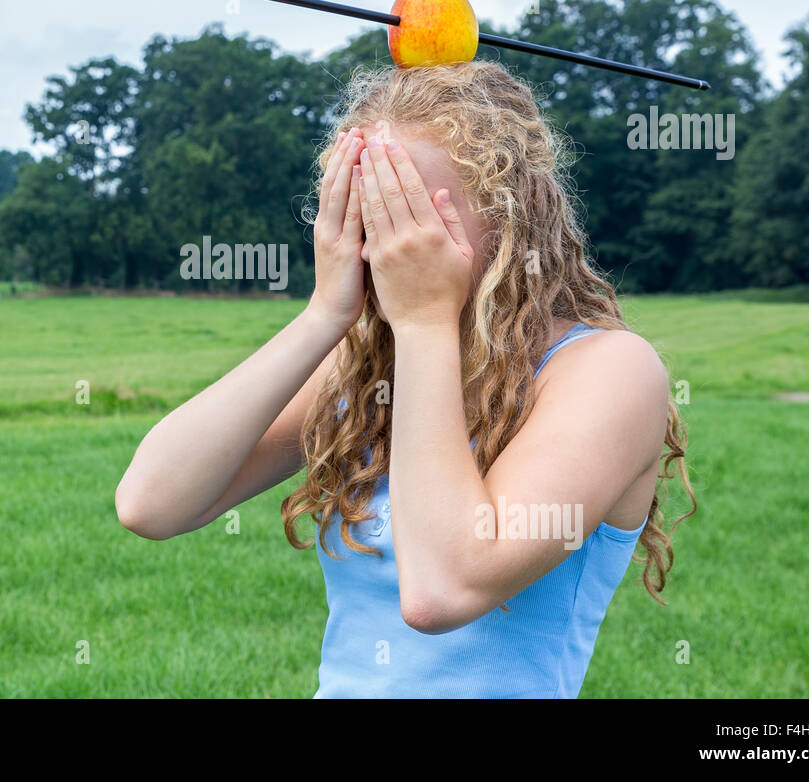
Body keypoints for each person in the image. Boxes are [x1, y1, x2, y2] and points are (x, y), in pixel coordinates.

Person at [115, 60, 696, 697]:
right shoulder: (371, 367)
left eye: (407, 209)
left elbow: (445, 589)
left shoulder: (608, 372)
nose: (382, 241)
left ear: (509, 215)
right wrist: (324, 315)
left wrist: (423, 323)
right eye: (366, 208)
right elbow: (153, 503)